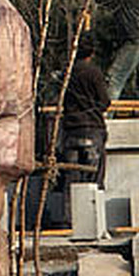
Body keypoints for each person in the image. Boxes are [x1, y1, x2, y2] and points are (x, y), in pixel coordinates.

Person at [58, 55, 112, 185]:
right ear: (92, 54)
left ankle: (72, 205)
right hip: (92, 128)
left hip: (71, 130)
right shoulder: (94, 73)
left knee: (71, 181)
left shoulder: (67, 74)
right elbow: (104, 102)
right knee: (93, 180)